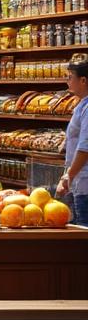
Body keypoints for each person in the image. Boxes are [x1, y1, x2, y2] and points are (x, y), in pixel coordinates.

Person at [56, 60, 88, 223]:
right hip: (79, 182)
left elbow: (84, 148)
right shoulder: (82, 105)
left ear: (83, 80)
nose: (67, 81)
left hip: (84, 185)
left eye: (70, 77)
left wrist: (68, 176)